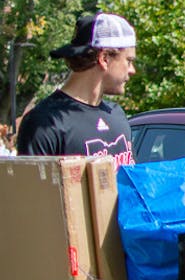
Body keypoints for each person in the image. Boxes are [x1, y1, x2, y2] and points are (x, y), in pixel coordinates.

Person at [16, 12, 136, 165]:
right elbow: (33, 188)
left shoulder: (117, 115)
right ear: (104, 58)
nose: (132, 70)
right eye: (129, 60)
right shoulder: (45, 122)